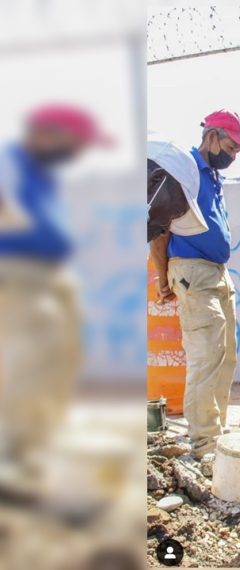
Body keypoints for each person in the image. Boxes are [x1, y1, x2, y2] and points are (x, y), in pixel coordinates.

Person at [0, 104, 110, 492]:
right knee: (29, 361)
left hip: (50, 272)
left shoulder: (42, 174)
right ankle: (16, 457)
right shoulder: (8, 162)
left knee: (64, 357)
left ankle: (42, 446)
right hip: (19, 272)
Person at [149, 109, 240, 459]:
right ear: (212, 137)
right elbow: (159, 229)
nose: (234, 154)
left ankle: (217, 434)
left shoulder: (210, 175)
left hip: (217, 272)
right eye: (232, 145)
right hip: (193, 271)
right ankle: (205, 445)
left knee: (225, 356)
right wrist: (163, 274)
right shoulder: (183, 170)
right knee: (206, 355)